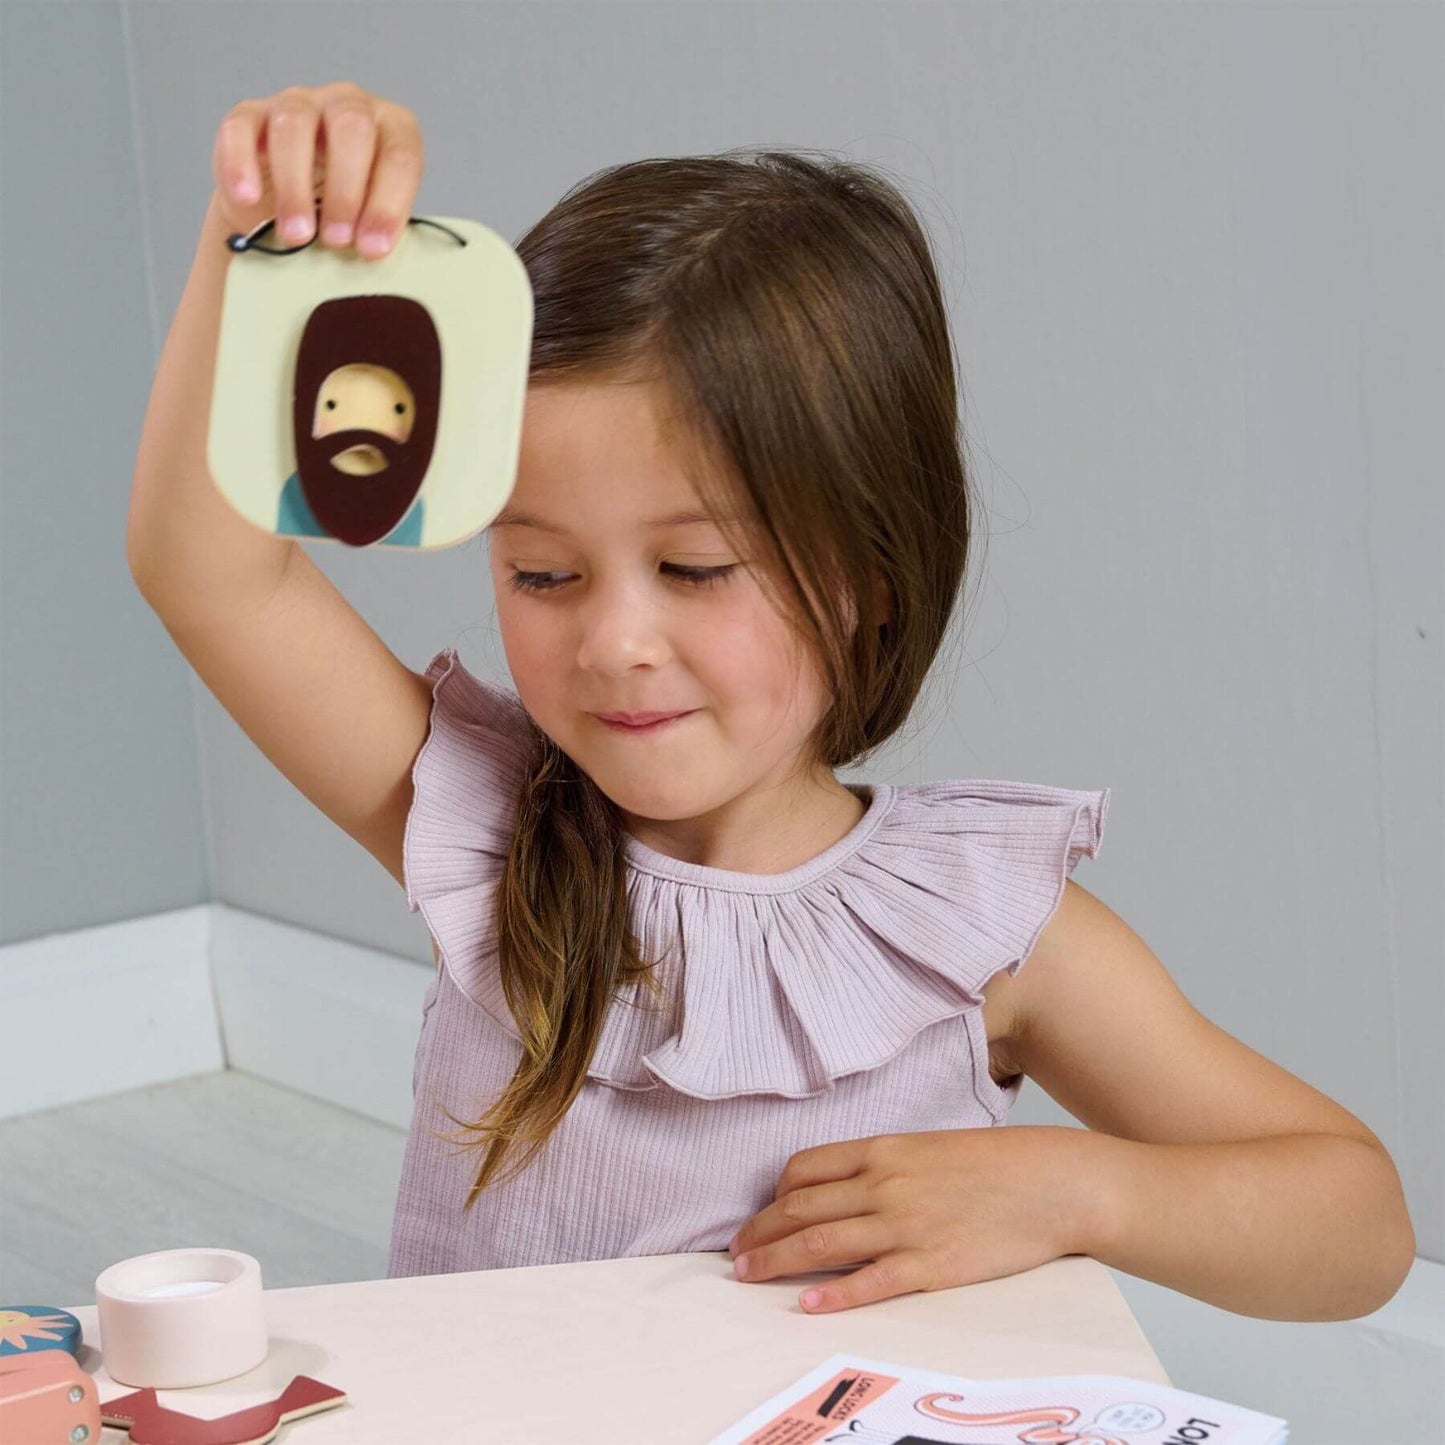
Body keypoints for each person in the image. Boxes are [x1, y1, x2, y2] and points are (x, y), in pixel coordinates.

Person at [127, 81, 1414, 1323]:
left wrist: (1080, 1187)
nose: (616, 642)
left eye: (694, 568)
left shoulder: (986, 932)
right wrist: (262, 241)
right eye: (539, 571)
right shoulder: (482, 818)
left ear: (864, 570)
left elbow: (1353, 1227)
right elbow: (207, 571)